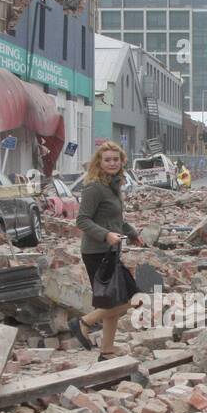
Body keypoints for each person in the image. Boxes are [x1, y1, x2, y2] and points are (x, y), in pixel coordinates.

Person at [71, 141, 140, 358]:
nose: (112, 163)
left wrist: (132, 233)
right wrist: (106, 235)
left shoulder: (113, 185)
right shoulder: (94, 187)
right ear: (99, 163)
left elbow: (115, 219)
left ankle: (107, 350)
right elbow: (81, 220)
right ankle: (84, 322)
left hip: (110, 251)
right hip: (96, 253)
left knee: (114, 301)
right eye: (107, 159)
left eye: (115, 159)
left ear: (121, 162)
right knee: (131, 300)